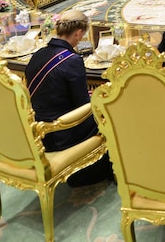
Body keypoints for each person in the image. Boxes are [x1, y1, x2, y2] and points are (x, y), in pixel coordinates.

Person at [24, 10, 112, 186]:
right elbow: (82, 106)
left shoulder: (38, 54)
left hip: (38, 130)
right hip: (62, 132)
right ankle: (102, 169)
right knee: (109, 112)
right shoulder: (71, 60)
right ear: (78, 33)